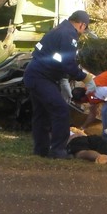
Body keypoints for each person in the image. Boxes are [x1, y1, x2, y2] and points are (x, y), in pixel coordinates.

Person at [22, 10, 96, 159]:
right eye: (85, 28)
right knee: (61, 111)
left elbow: (58, 60)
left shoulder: (59, 29)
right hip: (42, 78)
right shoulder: (69, 35)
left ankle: (41, 150)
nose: (83, 32)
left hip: (36, 75)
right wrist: (85, 78)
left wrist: (63, 80)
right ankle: (57, 151)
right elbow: (68, 63)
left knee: (41, 115)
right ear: (81, 25)